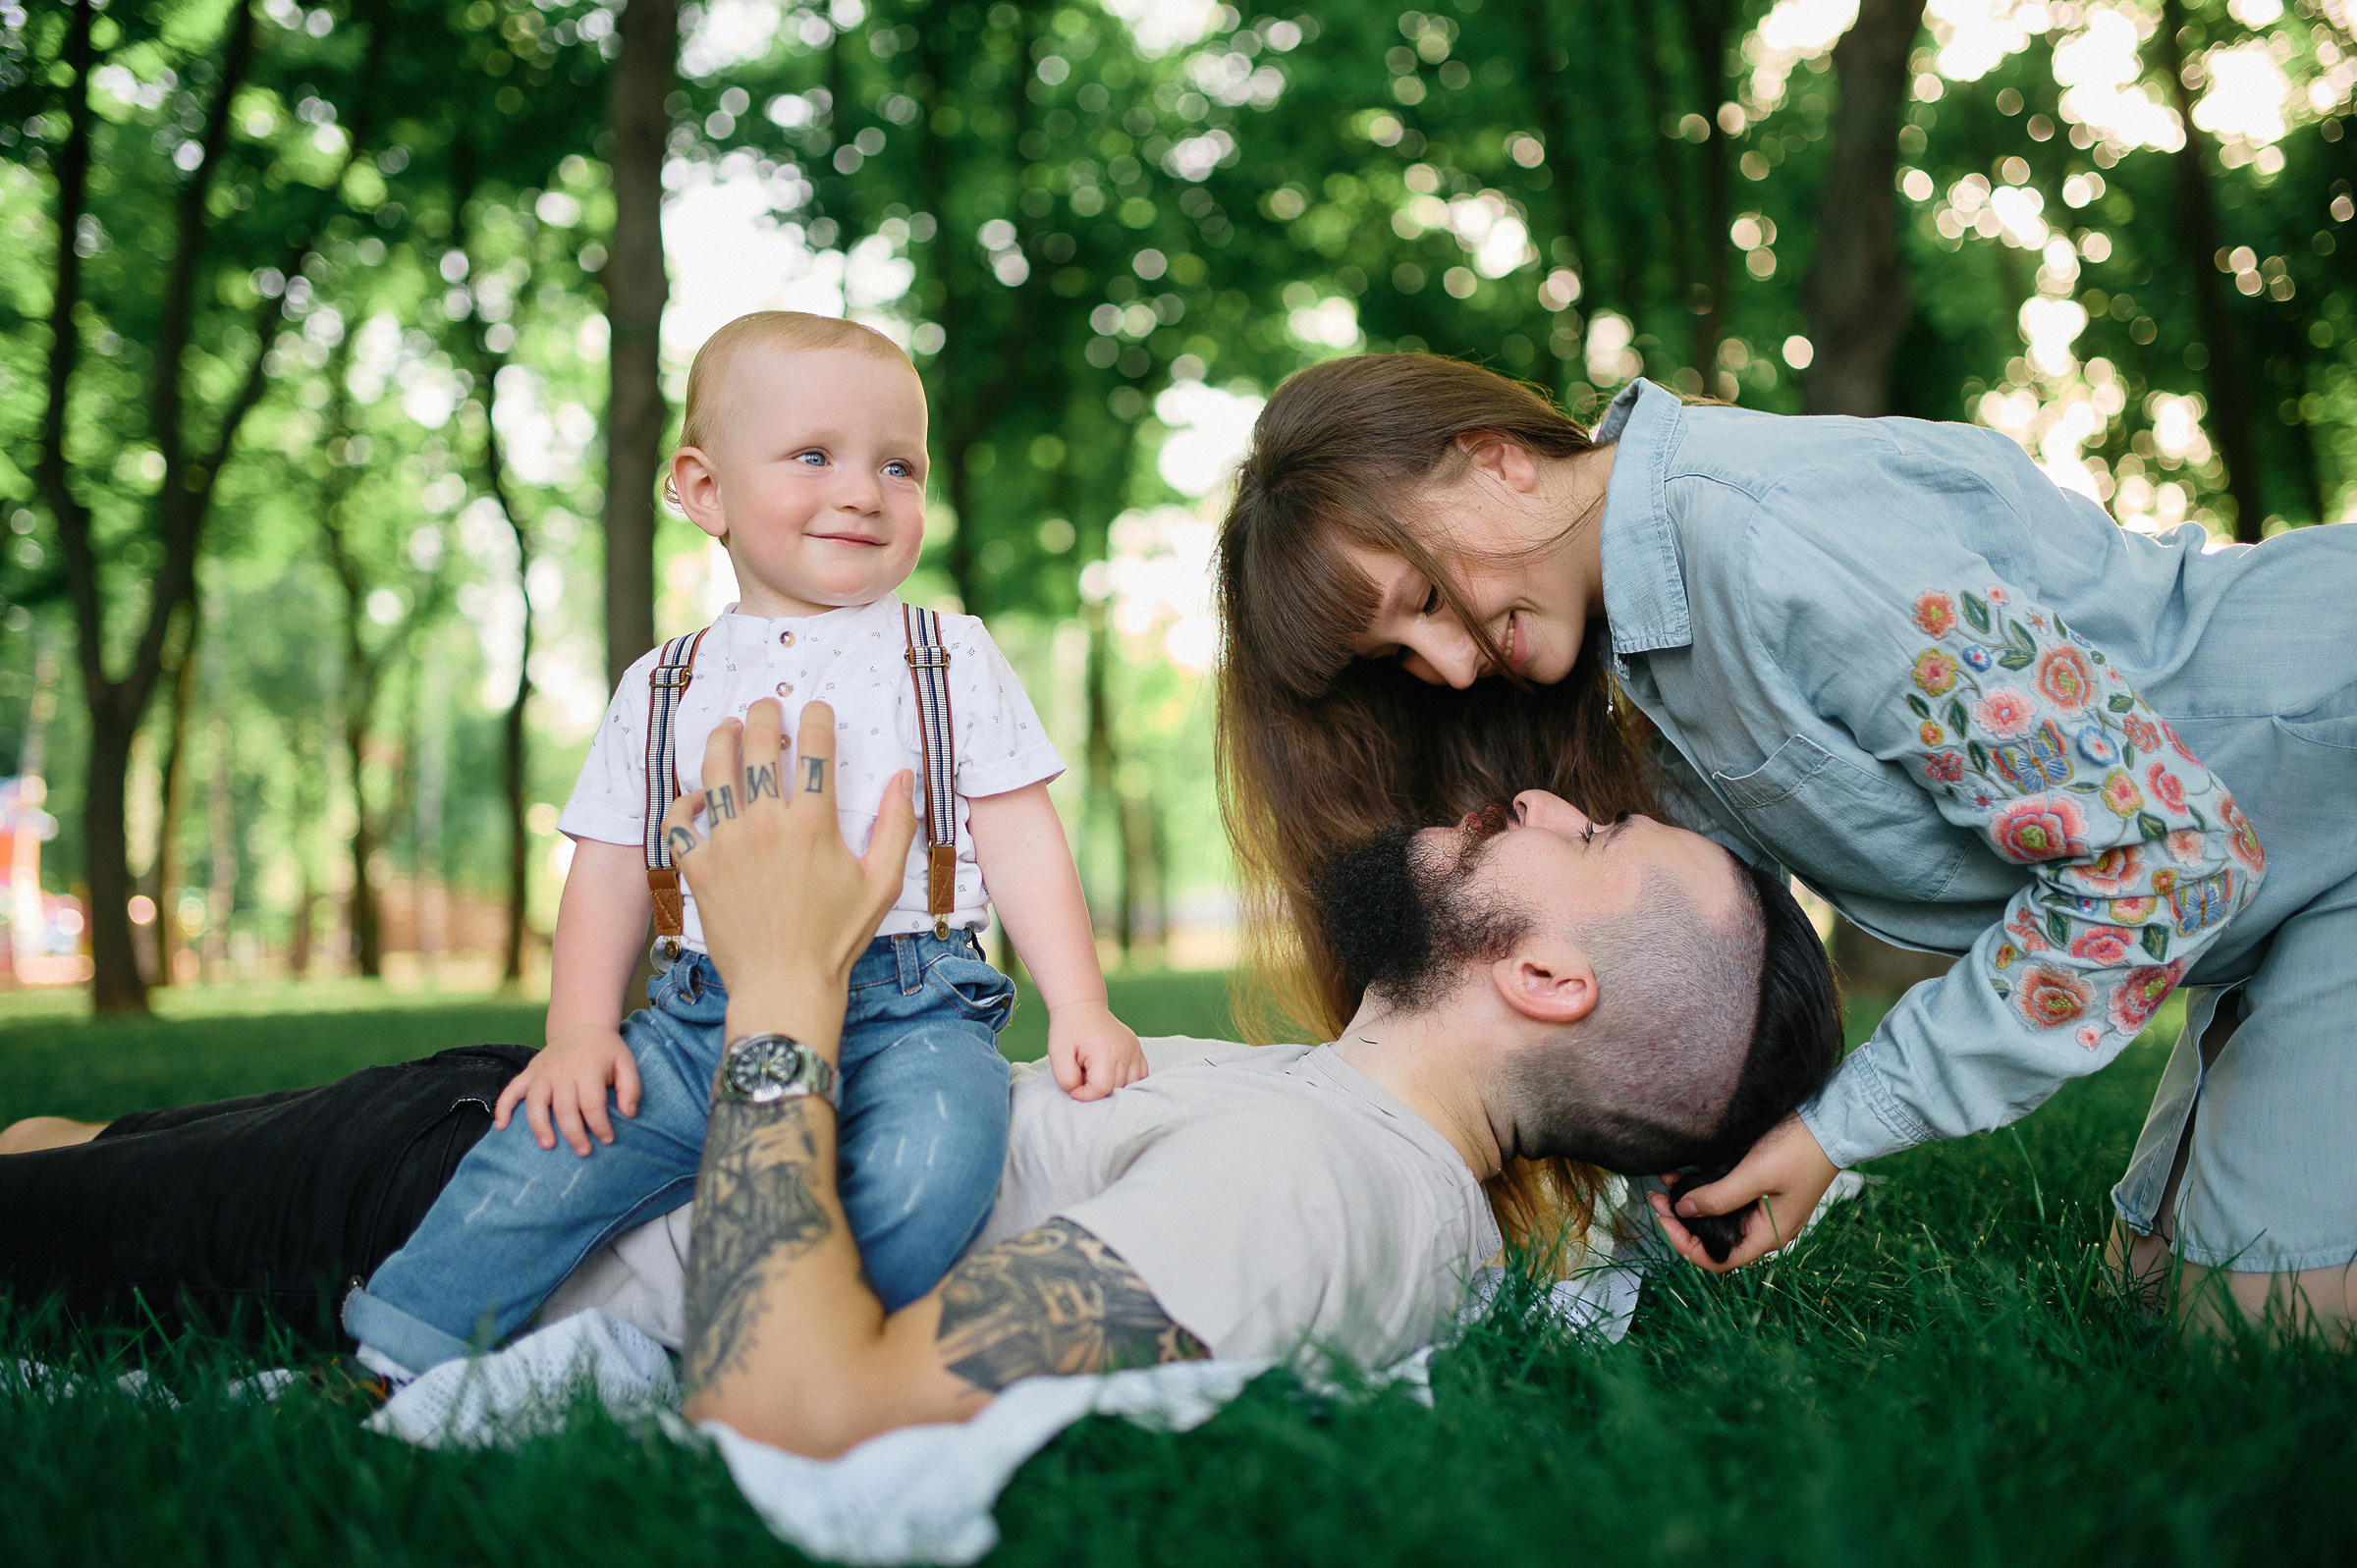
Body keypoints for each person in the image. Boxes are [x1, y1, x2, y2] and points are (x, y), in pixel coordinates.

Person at [0, 700, 1843, 1451]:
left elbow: (811, 1388)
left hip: (470, 1202)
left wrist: (791, 975)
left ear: (1541, 973)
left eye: (1585, 836)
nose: (1535, 795)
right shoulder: (1391, 1147)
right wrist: (1801, 1141)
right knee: (58, 1145)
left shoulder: (1313, 1190)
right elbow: (1687, 1119)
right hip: (572, 1118)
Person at [1215, 352, 2357, 1336]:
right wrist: (1635, 1250)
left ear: (1493, 455)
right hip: (2289, 883)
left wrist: (1842, 1129)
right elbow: (1690, 981)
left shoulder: (1773, 543)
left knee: (2271, 1338)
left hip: (2314, 760)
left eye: (1420, 593)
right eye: (1400, 655)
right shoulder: (1652, 647)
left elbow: (2161, 855)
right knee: (2160, 1306)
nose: (1451, 668)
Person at [342, 313, 1145, 1380]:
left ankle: (783, 1352)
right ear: (704, 489)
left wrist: (1078, 1000)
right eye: (814, 456)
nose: (863, 490)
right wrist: (580, 1028)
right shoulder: (663, 683)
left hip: (913, 1010)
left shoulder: (946, 655)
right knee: (538, 1158)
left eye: (897, 465)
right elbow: (612, 863)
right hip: (694, 1015)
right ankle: (394, 1356)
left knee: (933, 1165)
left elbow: (1019, 830)